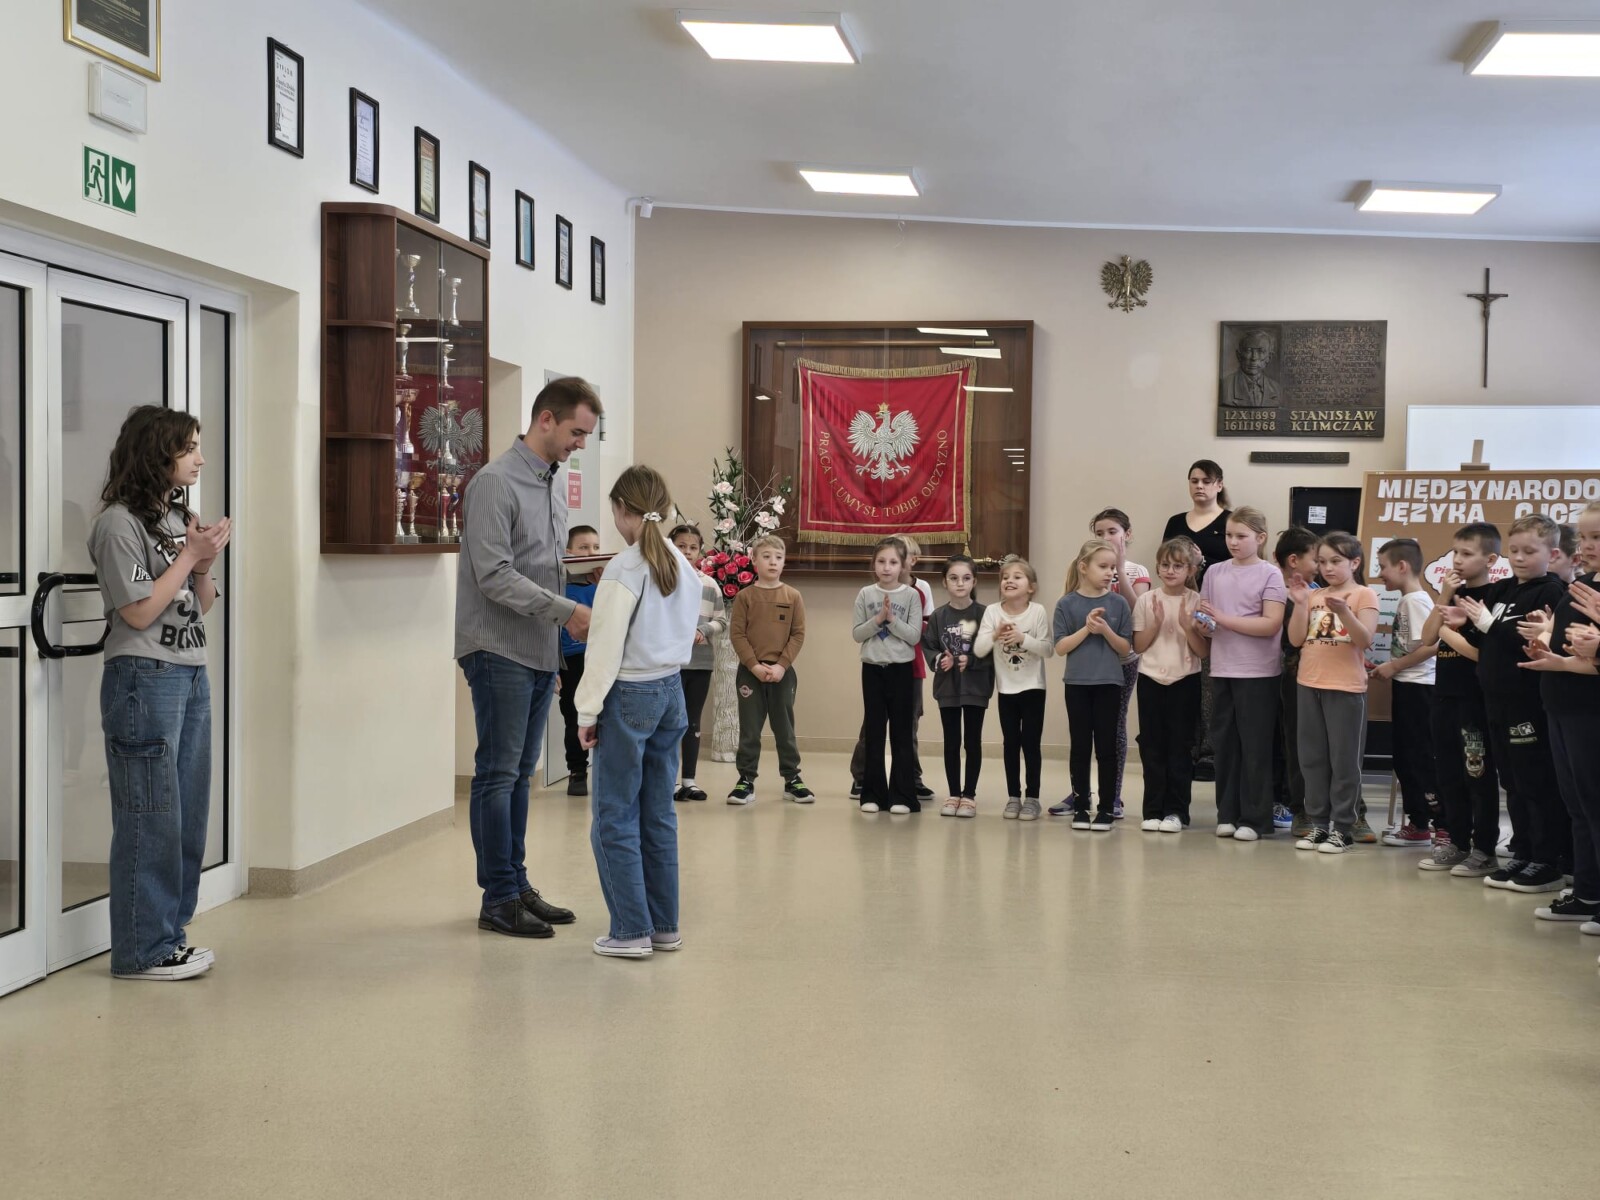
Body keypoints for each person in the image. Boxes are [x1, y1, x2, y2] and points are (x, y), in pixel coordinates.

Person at [89, 406, 230, 980]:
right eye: (188, 448)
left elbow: (201, 605)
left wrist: (204, 565)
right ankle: (142, 949)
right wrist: (190, 556)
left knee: (187, 816)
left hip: (190, 672)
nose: (200, 458)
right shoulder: (117, 525)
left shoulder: (177, 517)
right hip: (143, 679)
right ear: (156, 452)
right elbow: (140, 611)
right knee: (149, 816)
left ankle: (169, 936)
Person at [456, 376, 597, 938]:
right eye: (576, 433)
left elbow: (545, 567)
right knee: (497, 774)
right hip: (497, 648)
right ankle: (497, 897)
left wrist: (588, 581)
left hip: (538, 650)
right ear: (546, 420)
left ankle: (515, 885)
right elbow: (493, 574)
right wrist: (567, 612)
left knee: (520, 775)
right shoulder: (495, 482)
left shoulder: (552, 484)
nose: (579, 445)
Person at [574, 466, 702, 958]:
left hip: (629, 695)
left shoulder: (624, 569)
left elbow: (604, 648)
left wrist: (587, 711)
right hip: (671, 691)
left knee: (614, 815)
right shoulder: (681, 562)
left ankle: (630, 932)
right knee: (658, 812)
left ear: (622, 510)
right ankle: (664, 926)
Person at [1454, 514, 1570, 893]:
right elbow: (1484, 638)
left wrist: (1489, 625)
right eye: (1514, 550)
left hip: (1527, 701)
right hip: (1495, 699)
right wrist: (1465, 622)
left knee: (1535, 780)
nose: (1519, 558)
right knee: (1512, 781)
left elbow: (1525, 642)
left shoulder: (1551, 591)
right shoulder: (1502, 589)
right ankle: (1523, 850)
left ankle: (1546, 859)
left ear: (1552, 554)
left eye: (1529, 551)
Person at [1518, 502, 1600, 933]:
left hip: (1590, 711)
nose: (1587, 546)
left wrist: (1584, 655)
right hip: (1562, 704)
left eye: (1597, 538)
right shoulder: (1582, 584)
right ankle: (1587, 893)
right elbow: (1572, 648)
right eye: (1583, 537)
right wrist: (1548, 646)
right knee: (1579, 806)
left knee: (1595, 805)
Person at [1050, 509, 1150, 819]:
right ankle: (1081, 801)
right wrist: (1088, 628)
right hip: (1078, 681)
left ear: (1126, 534)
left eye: (1112, 531)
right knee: (1081, 745)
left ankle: (1110, 801)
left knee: (1110, 739)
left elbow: (1129, 638)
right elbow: (1060, 646)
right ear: (1084, 566)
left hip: (1113, 675)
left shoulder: (1125, 588)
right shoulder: (1068, 602)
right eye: (1100, 532)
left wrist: (1104, 629)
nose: (1108, 572)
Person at [1196, 506, 1286, 840]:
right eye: (1229, 535)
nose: (1233, 542)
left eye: (1241, 536)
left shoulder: (1270, 574)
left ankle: (1255, 819)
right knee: (1225, 744)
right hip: (1223, 668)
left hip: (1258, 672)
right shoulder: (1214, 572)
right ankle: (1227, 814)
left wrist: (1222, 619)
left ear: (1260, 538)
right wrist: (1203, 624)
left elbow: (1270, 624)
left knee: (1255, 746)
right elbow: (1208, 621)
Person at [1420, 523, 1504, 879]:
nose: (1457, 560)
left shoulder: (1496, 596)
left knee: (1477, 774)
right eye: (1455, 552)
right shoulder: (1452, 593)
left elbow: (1483, 652)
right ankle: (1457, 842)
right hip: (1444, 696)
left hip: (1475, 700)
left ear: (1490, 559)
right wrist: (1443, 596)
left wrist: (1447, 631)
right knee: (1449, 774)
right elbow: (1426, 638)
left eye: (1467, 554)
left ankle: (1484, 849)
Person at [1288, 532, 1380, 855]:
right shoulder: (1314, 595)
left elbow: (1365, 639)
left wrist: (1344, 612)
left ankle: (1343, 828)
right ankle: (1319, 823)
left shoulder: (1363, 594)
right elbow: (1296, 639)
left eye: (1336, 561)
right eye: (1322, 561)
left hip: (1345, 687)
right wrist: (1301, 604)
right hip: (1309, 683)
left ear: (1354, 563)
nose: (1327, 568)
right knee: (1312, 759)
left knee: (1344, 761)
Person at [850, 533, 935, 802]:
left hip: (902, 670)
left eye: (893, 562)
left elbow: (914, 636)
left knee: (902, 732)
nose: (887, 567)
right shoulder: (865, 594)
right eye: (881, 562)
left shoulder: (912, 595)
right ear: (874, 564)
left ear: (903, 565)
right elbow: (857, 634)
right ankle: (872, 793)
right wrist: (878, 619)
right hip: (872, 669)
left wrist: (892, 620)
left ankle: (903, 795)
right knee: (874, 731)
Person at [727, 534, 810, 805]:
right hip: (750, 673)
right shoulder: (745, 597)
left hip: (782, 675)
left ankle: (792, 778)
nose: (773, 562)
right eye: (766, 556)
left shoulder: (793, 596)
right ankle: (746, 779)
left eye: (778, 557)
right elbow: (737, 634)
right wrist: (753, 665)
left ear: (784, 562)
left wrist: (781, 666)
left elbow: (797, 634)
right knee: (750, 728)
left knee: (784, 728)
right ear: (754, 560)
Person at [1132, 537, 1208, 832]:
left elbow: (1203, 651)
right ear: (1157, 567)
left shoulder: (1196, 601)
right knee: (1152, 746)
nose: (1170, 571)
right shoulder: (1146, 600)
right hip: (1150, 679)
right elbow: (1138, 646)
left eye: (1178, 566)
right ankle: (1152, 810)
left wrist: (1189, 627)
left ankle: (1176, 811)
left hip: (1184, 680)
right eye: (1165, 565)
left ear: (1190, 570)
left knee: (1180, 746)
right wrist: (1155, 624)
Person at [1163, 459, 1232, 782]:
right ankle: (1185, 749)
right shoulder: (1176, 522)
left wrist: (1203, 564)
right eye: (1194, 480)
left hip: (1218, 611)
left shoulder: (1230, 521)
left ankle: (1211, 752)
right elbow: (1166, 562)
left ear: (1219, 484)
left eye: (1206, 480)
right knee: (1183, 676)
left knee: (1209, 681)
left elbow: (1237, 567)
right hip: (1180, 607)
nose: (1200, 486)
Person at [1373, 539, 1442, 854]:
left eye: (1383, 567)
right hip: (1408, 684)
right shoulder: (1408, 600)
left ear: (1402, 566)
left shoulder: (1416, 601)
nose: (1380, 574)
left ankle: (1437, 824)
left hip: (1420, 688)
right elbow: (1410, 647)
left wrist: (1395, 666)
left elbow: (1432, 645)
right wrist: (1389, 667)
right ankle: (1421, 822)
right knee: (1406, 756)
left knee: (1419, 757)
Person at [975, 558, 1054, 819]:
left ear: (1031, 587)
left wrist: (1023, 638)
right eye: (1005, 577)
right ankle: (1013, 796)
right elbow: (979, 650)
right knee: (1010, 743)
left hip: (1033, 687)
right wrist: (994, 634)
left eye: (1017, 576)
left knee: (1031, 743)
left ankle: (1032, 798)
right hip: (1006, 689)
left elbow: (1047, 649)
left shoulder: (1038, 611)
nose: (1009, 580)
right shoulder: (992, 612)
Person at [924, 554, 994, 818]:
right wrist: (940, 659)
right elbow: (929, 646)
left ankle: (969, 795)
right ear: (945, 582)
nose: (960, 583)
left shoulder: (985, 614)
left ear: (974, 581)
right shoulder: (938, 616)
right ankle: (954, 793)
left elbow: (993, 650)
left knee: (972, 742)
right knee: (951, 742)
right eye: (953, 578)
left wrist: (971, 660)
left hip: (976, 688)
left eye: (966, 578)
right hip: (948, 688)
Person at [668, 524, 726, 803]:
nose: (687, 552)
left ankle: (689, 780)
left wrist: (703, 630)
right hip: (670, 664)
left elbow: (722, 620)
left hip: (700, 663)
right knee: (670, 722)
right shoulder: (663, 579)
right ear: (671, 547)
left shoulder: (710, 584)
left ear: (700, 551)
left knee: (692, 721)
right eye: (681, 546)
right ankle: (668, 781)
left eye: (693, 547)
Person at [1271, 527, 1320, 838]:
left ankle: (1314, 804)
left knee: (1311, 741)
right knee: (1287, 740)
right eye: (1316, 559)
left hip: (1316, 674)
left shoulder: (1319, 592)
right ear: (1293, 560)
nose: (1320, 566)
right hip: (1284, 674)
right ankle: (1290, 802)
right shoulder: (1274, 591)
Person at [557, 524, 603, 797]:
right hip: (571, 662)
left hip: (599, 660)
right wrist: (553, 667)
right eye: (584, 547)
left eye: (595, 547)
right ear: (569, 552)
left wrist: (603, 585)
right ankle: (577, 771)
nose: (591, 553)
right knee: (573, 716)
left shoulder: (605, 585)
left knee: (604, 716)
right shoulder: (558, 586)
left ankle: (605, 770)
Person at [1220, 328, 1281, 409]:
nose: (1254, 358)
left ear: (1269, 357)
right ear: (1239, 355)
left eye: (1260, 351)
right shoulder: (1225, 385)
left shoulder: (1276, 389)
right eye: (1248, 351)